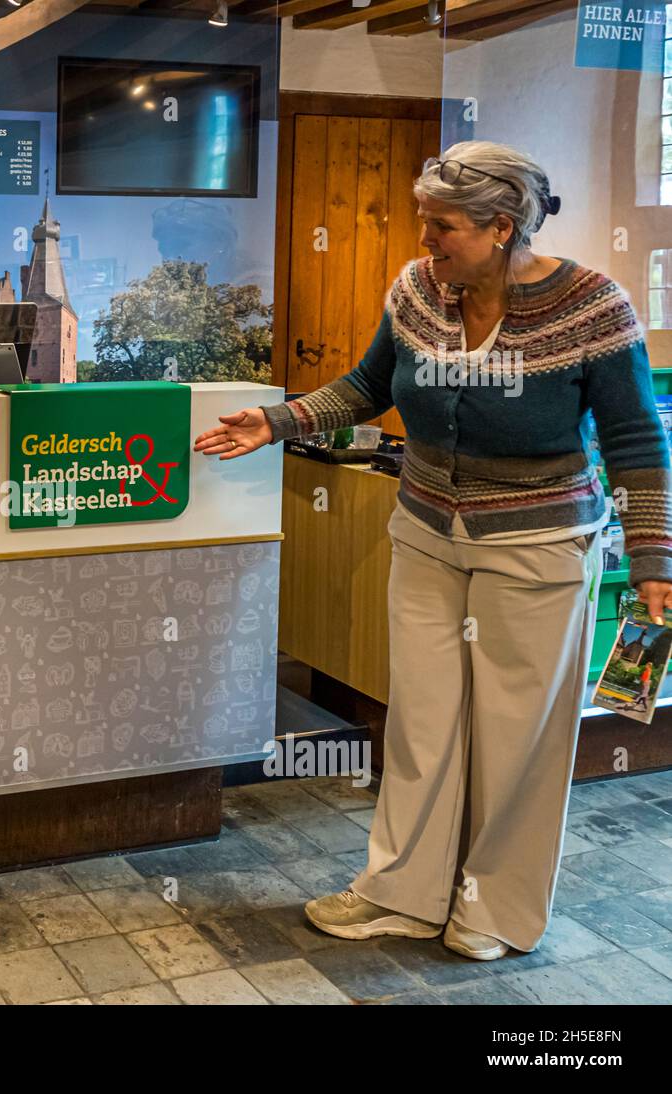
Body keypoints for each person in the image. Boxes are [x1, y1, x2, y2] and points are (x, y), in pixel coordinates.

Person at [195, 140, 672, 961]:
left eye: (442, 227)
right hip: (424, 532)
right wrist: (276, 420)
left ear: (501, 225)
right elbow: (367, 387)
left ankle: (493, 911)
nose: (425, 242)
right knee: (420, 724)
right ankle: (401, 894)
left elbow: (634, 436)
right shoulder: (417, 290)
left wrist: (655, 559)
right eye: (425, 223)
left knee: (518, 737)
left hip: (538, 546)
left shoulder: (594, 307)